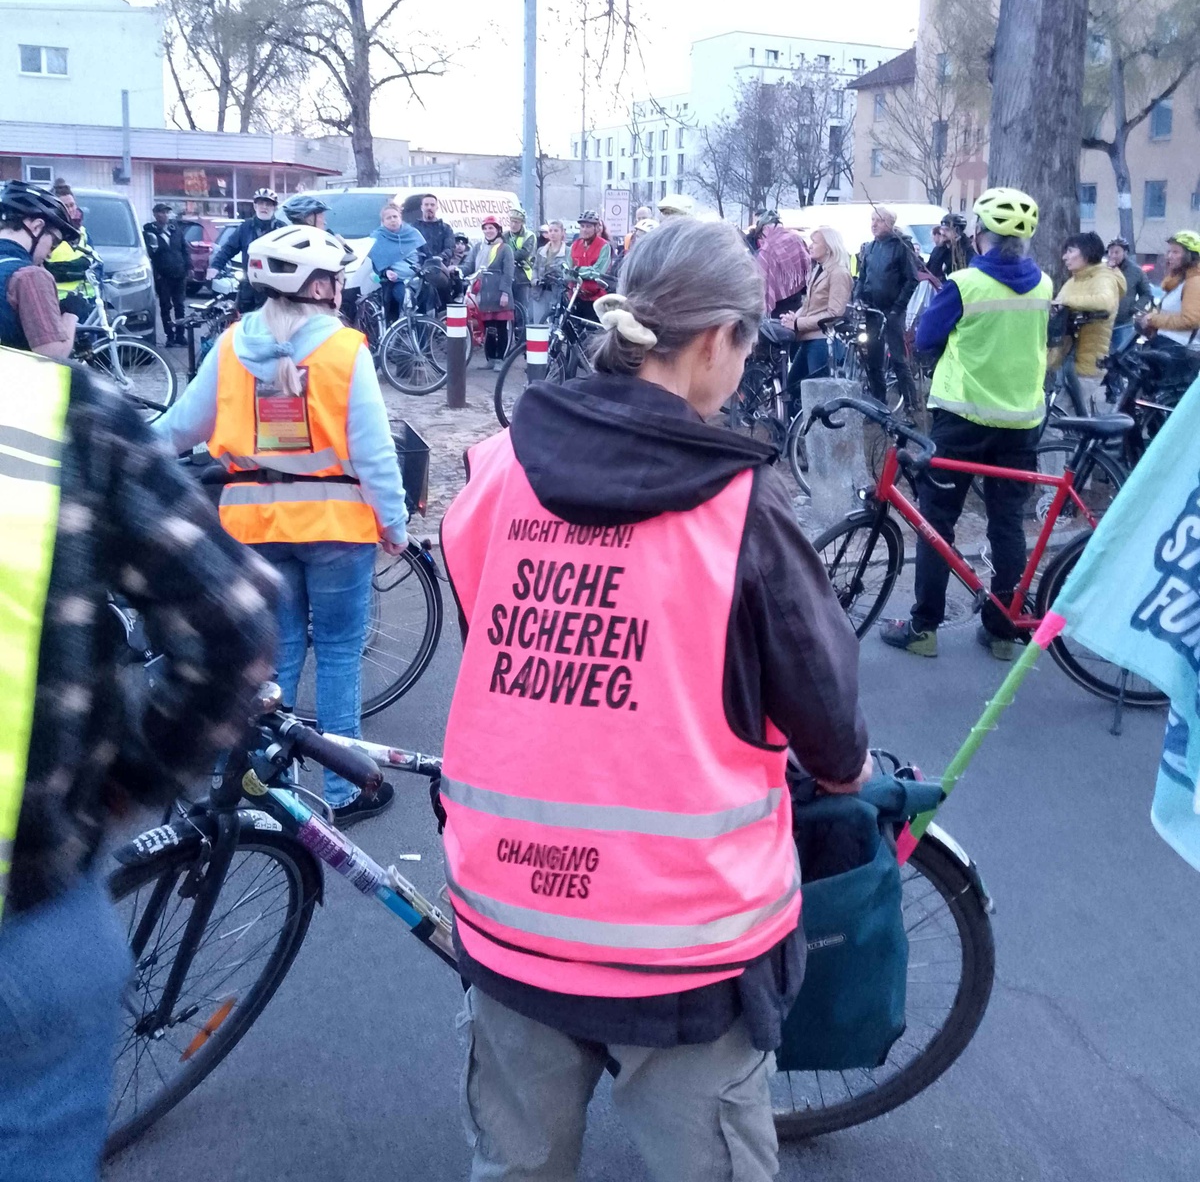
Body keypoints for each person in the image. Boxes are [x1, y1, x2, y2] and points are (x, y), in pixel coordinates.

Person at [438, 215, 869, 1182]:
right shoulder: (740, 504)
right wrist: (847, 771)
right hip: (684, 944)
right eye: (747, 346)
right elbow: (826, 715)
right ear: (716, 340)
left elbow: (488, 633)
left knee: (513, 1164)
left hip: (508, 909)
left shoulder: (500, 468)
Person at [0, 344, 277, 1181]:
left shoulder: (233, 342)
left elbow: (186, 417)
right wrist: (131, 780)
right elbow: (232, 628)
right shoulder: (51, 409)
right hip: (27, 909)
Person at [155, 224, 409, 823]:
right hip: (336, 524)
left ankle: (270, 791)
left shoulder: (231, 345)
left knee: (277, 659)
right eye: (336, 279)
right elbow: (374, 452)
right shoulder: (344, 350)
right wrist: (394, 523)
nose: (341, 287)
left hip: (254, 525)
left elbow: (177, 428)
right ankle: (344, 791)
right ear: (319, 288)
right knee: (340, 654)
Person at [882, 187, 1051, 662]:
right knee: (1007, 524)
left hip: (961, 419)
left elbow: (926, 339)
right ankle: (1002, 631)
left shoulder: (964, 284)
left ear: (979, 235)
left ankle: (924, 627)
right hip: (1021, 422)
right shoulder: (1044, 284)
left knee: (937, 520)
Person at [0, 182, 81, 358]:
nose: (50, 254)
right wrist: (71, 314)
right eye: (54, 243)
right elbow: (52, 354)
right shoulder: (29, 276)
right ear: (36, 227)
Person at [1048, 231, 1123, 415]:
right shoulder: (1075, 280)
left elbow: (1105, 302)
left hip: (1086, 365)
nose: (1065, 257)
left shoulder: (1104, 278)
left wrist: (1065, 302)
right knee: (1067, 416)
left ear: (1087, 253)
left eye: (1070, 251)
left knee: (1058, 418)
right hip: (1066, 361)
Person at [854, 206, 920, 409]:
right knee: (873, 359)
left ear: (890, 224)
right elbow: (862, 277)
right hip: (872, 311)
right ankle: (878, 405)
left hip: (893, 311)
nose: (874, 224)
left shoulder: (902, 246)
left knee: (898, 358)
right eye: (872, 220)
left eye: (879, 220)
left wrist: (897, 308)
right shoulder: (870, 247)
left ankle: (911, 404)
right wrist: (858, 298)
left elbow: (912, 279)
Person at [781, 225, 854, 396]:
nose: (810, 246)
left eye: (815, 242)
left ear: (828, 247)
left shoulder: (839, 273)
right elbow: (810, 304)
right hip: (809, 339)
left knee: (817, 394)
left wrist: (798, 323)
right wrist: (794, 317)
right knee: (793, 389)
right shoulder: (819, 269)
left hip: (823, 342)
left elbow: (834, 314)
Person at [207, 187, 284, 312]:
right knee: (243, 318)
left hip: (273, 287)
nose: (264, 207)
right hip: (249, 285)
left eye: (268, 204)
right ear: (255, 206)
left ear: (274, 207)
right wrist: (215, 266)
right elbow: (228, 248)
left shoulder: (282, 229)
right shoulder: (245, 227)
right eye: (261, 203)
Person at [466, 216, 515, 368]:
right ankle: (490, 359)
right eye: (485, 228)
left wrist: (505, 293)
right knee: (488, 328)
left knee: (500, 328)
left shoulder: (505, 249)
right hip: (484, 293)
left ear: (498, 230)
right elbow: (469, 265)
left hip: (499, 293)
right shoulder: (478, 247)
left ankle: (500, 359)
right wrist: (458, 270)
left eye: (491, 228)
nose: (488, 231)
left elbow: (508, 273)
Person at [1137, 230, 1200, 348]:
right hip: (1167, 345)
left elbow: (1190, 320)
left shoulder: (1194, 282)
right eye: (1169, 251)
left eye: (1175, 252)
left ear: (1190, 256)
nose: (1169, 256)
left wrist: (1153, 319)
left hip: (1179, 349)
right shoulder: (1179, 282)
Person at [45, 181, 97, 319]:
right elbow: (44, 268)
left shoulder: (83, 232)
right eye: (65, 206)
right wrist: (78, 268)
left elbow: (95, 262)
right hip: (56, 304)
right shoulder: (48, 233)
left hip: (85, 302)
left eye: (72, 205)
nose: (70, 209)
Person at [368, 202, 425, 325]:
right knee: (404, 298)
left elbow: (425, 255)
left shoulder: (413, 234)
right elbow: (378, 263)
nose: (393, 220)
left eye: (395, 216)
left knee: (427, 298)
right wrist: (386, 272)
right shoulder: (378, 238)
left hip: (418, 278)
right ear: (383, 221)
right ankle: (403, 328)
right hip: (396, 282)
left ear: (400, 218)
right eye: (388, 218)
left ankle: (424, 331)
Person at [143, 201, 191, 347]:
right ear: (155, 214)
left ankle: (180, 335)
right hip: (162, 276)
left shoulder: (175, 229)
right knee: (165, 307)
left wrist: (188, 267)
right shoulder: (149, 232)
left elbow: (184, 249)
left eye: (166, 212)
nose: (164, 215)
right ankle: (169, 336)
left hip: (179, 273)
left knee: (180, 306)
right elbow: (148, 254)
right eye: (161, 212)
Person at [756, 221, 810, 318]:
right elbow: (806, 261)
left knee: (781, 324)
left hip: (778, 303)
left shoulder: (767, 250)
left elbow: (763, 282)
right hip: (797, 293)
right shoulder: (795, 238)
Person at [1106, 238, 1151, 354]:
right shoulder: (1103, 269)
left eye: (1117, 252)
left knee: (1120, 354)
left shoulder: (1136, 271)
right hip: (1102, 321)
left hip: (1123, 323)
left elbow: (1146, 294)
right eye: (1111, 252)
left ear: (1125, 253)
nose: (1113, 255)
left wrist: (1134, 308)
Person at [568, 209, 612, 321]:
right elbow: (567, 270)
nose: (584, 229)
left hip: (596, 298)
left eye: (588, 226)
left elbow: (598, 272)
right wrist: (576, 272)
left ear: (596, 228)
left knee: (592, 329)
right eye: (582, 226)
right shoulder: (574, 245)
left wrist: (577, 270)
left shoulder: (604, 246)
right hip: (576, 296)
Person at [529, 218, 571, 323]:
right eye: (550, 231)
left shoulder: (568, 251)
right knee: (539, 323)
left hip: (557, 293)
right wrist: (534, 280)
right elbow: (535, 267)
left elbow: (569, 271)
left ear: (562, 232)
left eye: (556, 231)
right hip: (540, 292)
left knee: (555, 323)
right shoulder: (541, 251)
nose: (552, 233)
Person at [505, 207, 537, 322]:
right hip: (508, 273)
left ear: (522, 223)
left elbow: (524, 253)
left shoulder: (529, 236)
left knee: (522, 307)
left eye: (516, 222)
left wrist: (507, 257)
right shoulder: (505, 235)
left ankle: (523, 329)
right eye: (512, 221)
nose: (513, 225)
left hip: (523, 274)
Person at [926, 214, 970, 282]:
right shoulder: (937, 250)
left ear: (957, 232)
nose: (942, 233)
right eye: (942, 229)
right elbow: (929, 271)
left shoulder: (966, 252)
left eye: (947, 230)